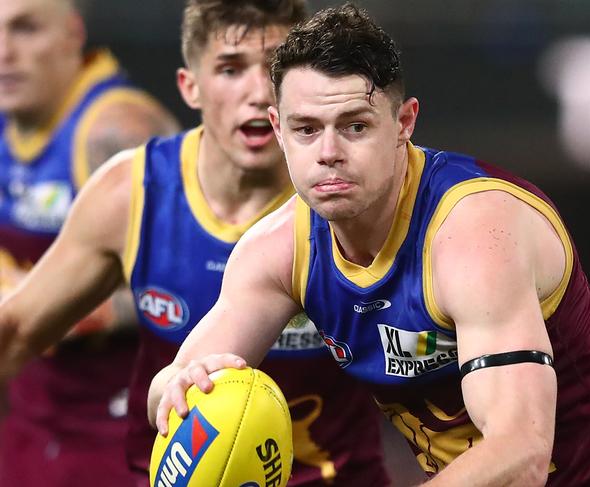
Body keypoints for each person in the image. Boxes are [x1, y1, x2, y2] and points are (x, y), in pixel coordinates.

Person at [149, 3, 590, 487]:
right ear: (279, 129)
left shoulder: (474, 234)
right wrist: (180, 391)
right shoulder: (279, 250)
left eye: (355, 127)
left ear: (404, 124)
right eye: (306, 130)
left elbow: (522, 456)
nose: (328, 154)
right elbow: (167, 391)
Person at [0, 1, 391, 485]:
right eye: (230, 69)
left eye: (275, 68)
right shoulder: (133, 195)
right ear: (191, 86)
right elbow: (14, 331)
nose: (256, 92)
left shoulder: (359, 204)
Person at [0, 0, 178, 485]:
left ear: (72, 35)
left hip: (124, 435)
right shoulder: (6, 116)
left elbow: (209, 281)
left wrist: (68, 308)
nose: (4, 51)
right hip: (30, 421)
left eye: (25, 29)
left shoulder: (116, 132)